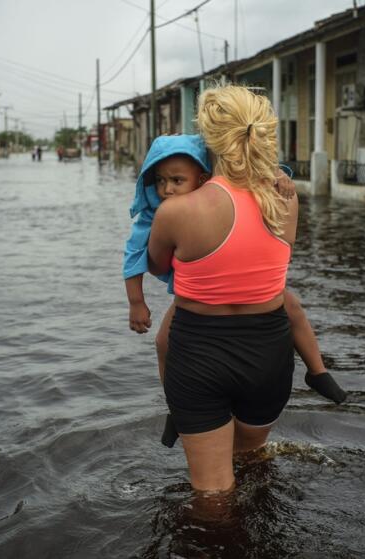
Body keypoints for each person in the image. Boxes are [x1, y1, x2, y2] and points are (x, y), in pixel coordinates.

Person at [147, 83, 344, 493]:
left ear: (209, 140)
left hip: (198, 353)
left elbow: (156, 265)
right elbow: (273, 262)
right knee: (252, 463)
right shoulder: (284, 199)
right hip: (269, 354)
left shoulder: (176, 210)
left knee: (213, 493)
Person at [125, 135, 346, 446]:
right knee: (163, 342)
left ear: (202, 178)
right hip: (200, 294)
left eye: (177, 180)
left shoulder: (217, 199)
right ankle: (176, 408)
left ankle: (318, 371)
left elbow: (255, 171)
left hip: (240, 293)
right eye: (161, 181)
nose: (167, 189)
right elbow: (135, 257)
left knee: (292, 307)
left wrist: (279, 176)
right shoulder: (159, 214)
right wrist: (137, 301)